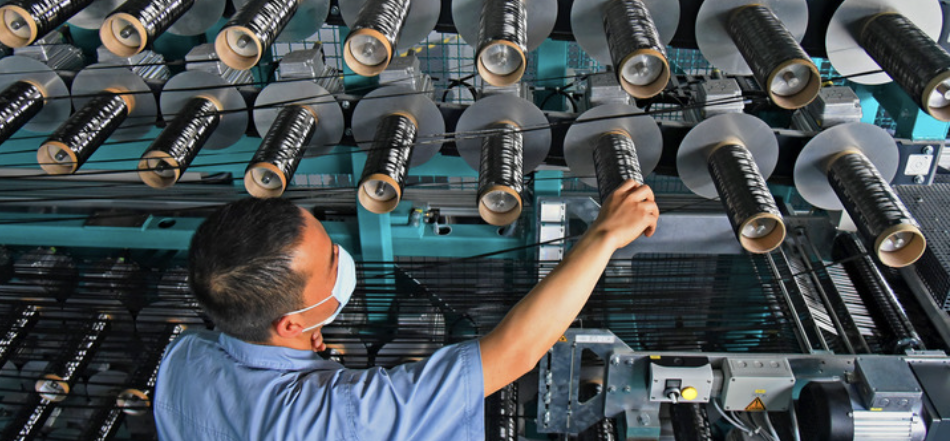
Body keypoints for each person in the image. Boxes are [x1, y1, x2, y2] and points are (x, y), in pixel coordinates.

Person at [154, 179, 659, 441]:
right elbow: (515, 352)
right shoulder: (338, 416)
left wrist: (308, 346)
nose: (341, 257)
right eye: (331, 261)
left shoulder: (185, 357)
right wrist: (603, 236)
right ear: (290, 322)